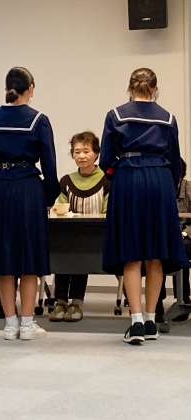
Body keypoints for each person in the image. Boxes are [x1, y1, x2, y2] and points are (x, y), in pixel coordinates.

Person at [99, 68, 188, 345]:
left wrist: (119, 173)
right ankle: (151, 320)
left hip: (129, 178)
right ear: (155, 88)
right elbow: (176, 161)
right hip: (160, 179)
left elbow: (105, 160)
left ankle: (136, 322)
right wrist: (166, 182)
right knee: (156, 254)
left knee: (132, 253)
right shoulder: (168, 118)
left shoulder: (115, 115)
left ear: (130, 87)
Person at [0, 67, 60, 340]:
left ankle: (9, 323)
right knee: (29, 257)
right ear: (31, 88)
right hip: (28, 189)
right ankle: (27, 324)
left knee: (3, 259)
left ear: (7, 88)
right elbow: (50, 165)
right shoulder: (39, 120)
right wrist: (48, 197)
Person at [49, 131, 109, 322]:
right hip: (68, 233)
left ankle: (76, 302)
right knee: (62, 252)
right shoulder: (66, 181)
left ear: (96, 153)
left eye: (86, 151)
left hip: (97, 236)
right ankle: (59, 301)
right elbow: (60, 206)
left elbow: (108, 211)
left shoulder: (106, 181)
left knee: (80, 254)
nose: (81, 156)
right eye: (77, 152)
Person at [156, 158, 191, 322]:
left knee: (180, 250)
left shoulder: (189, 189)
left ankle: (183, 300)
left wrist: (184, 233)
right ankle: (157, 302)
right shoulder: (157, 190)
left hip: (186, 236)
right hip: (164, 237)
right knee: (157, 253)